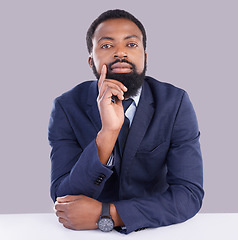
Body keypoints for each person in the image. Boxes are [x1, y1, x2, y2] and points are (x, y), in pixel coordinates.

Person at [48, 9, 204, 234]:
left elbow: (189, 195)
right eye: (107, 45)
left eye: (131, 45)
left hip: (159, 232)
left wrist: (108, 214)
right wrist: (108, 134)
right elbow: (63, 198)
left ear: (145, 56)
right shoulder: (66, 107)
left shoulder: (175, 103)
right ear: (92, 60)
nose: (120, 53)